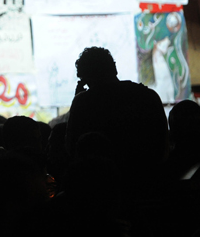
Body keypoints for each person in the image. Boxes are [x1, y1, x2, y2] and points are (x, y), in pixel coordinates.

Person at [65, 47, 169, 196]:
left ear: (85, 78)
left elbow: (71, 148)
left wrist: (78, 102)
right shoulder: (148, 96)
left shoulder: (84, 102)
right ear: (114, 69)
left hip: (100, 191)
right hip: (148, 187)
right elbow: (162, 149)